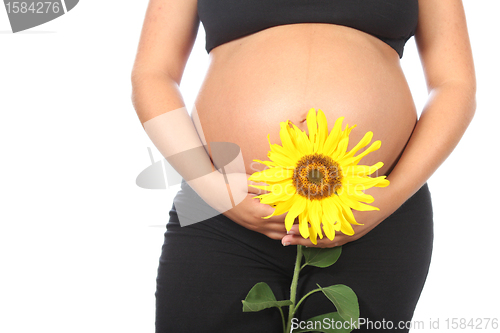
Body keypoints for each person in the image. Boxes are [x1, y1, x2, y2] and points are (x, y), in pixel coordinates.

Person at [131, 0, 476, 331]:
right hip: (220, 209)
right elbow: (153, 74)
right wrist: (214, 190)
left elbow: (455, 85)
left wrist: (386, 199)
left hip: (371, 214)